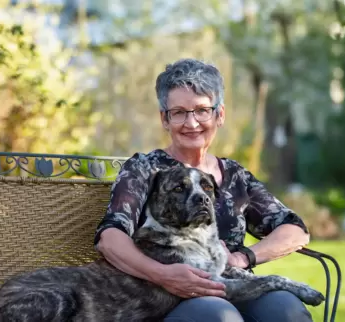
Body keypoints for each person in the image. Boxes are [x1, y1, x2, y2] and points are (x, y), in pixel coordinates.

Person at [94, 58, 313, 322]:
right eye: (179, 112)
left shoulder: (235, 177)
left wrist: (243, 258)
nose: (192, 122)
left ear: (219, 115)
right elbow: (110, 238)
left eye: (201, 110)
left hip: (235, 284)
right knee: (220, 316)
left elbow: (294, 230)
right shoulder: (144, 170)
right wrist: (163, 275)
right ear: (165, 119)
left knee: (286, 309)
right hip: (168, 298)